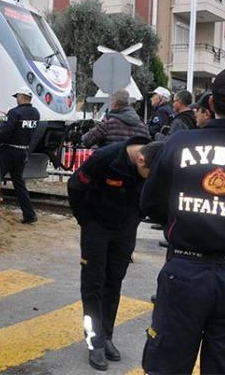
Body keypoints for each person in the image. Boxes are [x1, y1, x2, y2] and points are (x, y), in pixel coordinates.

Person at [140, 67, 225, 374]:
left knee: (166, 366)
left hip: (184, 271)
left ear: (211, 105)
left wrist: (188, 218)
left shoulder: (178, 144)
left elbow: (151, 204)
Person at [67, 136, 164, 371]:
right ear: (141, 161)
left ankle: (106, 335)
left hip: (125, 229)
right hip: (97, 228)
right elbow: (74, 186)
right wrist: (86, 223)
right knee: (94, 285)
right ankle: (95, 341)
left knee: (114, 282)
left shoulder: (154, 155)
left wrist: (135, 219)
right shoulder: (105, 159)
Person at [0, 86, 40, 224]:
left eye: (17, 97)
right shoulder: (35, 113)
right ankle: (29, 214)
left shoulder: (15, 113)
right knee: (19, 183)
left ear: (21, 97)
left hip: (9, 152)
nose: (16, 99)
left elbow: (6, 131)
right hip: (23, 152)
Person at [81, 89, 149, 148]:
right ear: (128, 103)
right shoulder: (143, 127)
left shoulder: (108, 124)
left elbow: (85, 141)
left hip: (111, 162)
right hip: (135, 162)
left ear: (114, 104)